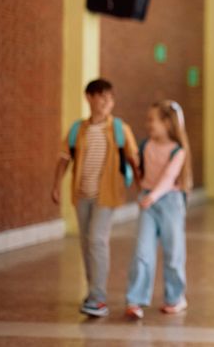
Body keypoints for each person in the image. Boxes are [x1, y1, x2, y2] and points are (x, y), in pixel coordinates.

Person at [51, 78, 139, 317]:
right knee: (86, 243)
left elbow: (134, 159)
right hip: (82, 195)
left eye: (110, 97)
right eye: (101, 96)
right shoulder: (78, 130)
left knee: (97, 240)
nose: (106, 101)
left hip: (107, 196)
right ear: (89, 97)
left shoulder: (120, 129)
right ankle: (93, 292)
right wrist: (56, 185)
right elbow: (63, 158)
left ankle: (98, 298)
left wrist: (143, 189)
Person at [125, 100, 193, 319]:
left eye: (152, 120)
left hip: (170, 201)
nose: (148, 124)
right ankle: (135, 300)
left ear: (166, 123)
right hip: (149, 200)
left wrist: (153, 196)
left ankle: (175, 298)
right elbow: (140, 172)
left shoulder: (178, 150)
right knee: (142, 251)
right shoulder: (146, 145)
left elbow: (168, 178)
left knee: (173, 253)